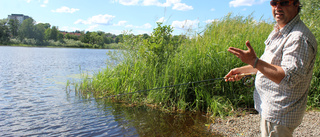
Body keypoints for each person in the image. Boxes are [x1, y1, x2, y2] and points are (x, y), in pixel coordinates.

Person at [224, 0, 318, 136]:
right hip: (271, 109)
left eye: (284, 2)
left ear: (296, 4)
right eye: (274, 2)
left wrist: (254, 61)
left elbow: (288, 78)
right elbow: (268, 64)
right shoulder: (279, 30)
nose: (277, 7)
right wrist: (242, 71)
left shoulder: (298, 37)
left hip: (280, 114)